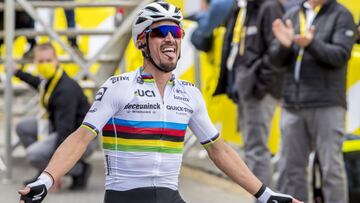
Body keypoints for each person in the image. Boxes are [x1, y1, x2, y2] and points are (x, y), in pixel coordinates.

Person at [18, 2, 302, 203]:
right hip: (125, 198)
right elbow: (80, 138)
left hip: (170, 196)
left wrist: (265, 194)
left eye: (176, 33)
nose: (170, 39)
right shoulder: (119, 87)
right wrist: (46, 179)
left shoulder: (189, 94)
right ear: (142, 42)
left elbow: (218, 150)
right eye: (159, 32)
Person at [270, 0, 356, 202]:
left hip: (327, 104)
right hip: (293, 104)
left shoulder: (341, 15)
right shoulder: (292, 14)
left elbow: (340, 55)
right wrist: (283, 46)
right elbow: (274, 60)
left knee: (331, 169)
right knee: (291, 168)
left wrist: (311, 44)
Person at [215, 0, 286, 195]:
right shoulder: (242, 7)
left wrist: (259, 84)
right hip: (247, 88)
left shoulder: (269, 7)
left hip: (258, 91)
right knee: (252, 149)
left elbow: (279, 51)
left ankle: (264, 200)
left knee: (257, 151)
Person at [14, 42, 96, 191]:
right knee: (23, 127)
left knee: (34, 155)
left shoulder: (65, 90)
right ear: (35, 62)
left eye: (48, 61)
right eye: (40, 61)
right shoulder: (50, 80)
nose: (44, 64)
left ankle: (80, 169)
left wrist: (53, 174)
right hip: (60, 127)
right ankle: (44, 172)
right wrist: (17, 72)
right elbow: (38, 83)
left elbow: (65, 133)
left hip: (80, 137)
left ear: (56, 60)